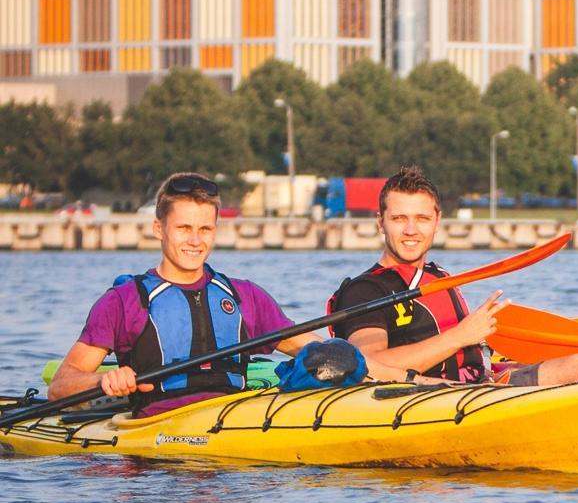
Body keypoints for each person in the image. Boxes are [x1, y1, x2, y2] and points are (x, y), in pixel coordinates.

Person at [49, 173, 351, 415]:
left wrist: (375, 372)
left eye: (205, 229)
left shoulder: (245, 296)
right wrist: (104, 379)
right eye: (184, 228)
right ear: (159, 228)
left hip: (235, 420)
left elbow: (317, 350)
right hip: (158, 441)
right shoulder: (124, 301)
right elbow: (62, 384)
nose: (195, 240)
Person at [328, 165, 578, 386]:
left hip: (483, 383)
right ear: (380, 222)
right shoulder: (365, 291)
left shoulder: (437, 277)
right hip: (436, 398)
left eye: (422, 218)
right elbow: (368, 364)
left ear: (437, 221)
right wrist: (460, 337)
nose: (411, 230)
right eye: (399, 218)